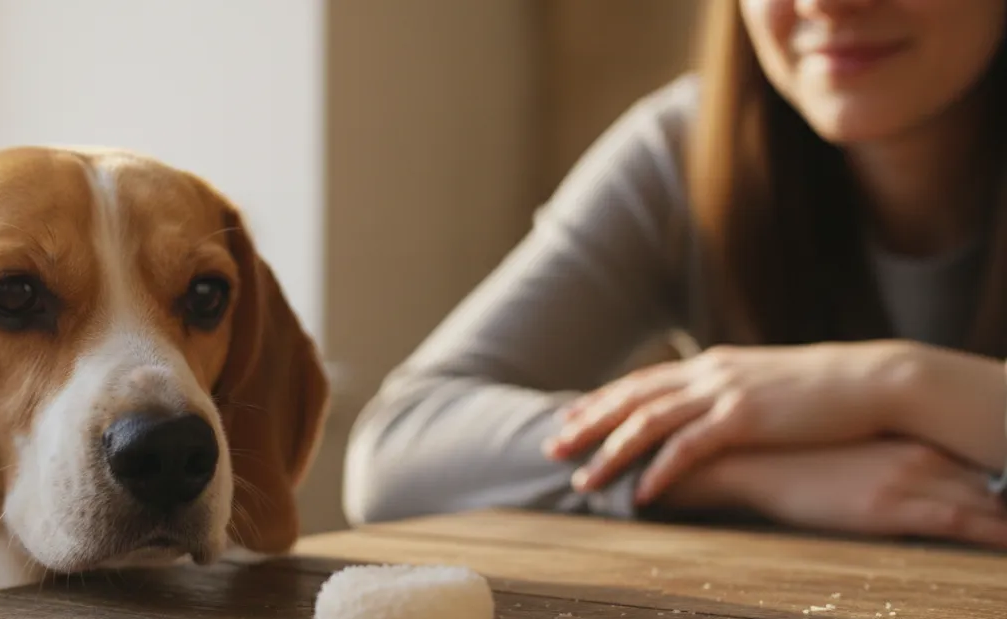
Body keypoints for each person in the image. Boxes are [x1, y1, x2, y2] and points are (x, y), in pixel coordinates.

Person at [342, 0, 1007, 548]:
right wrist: (734, 469)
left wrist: (897, 384)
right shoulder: (687, 152)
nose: (823, 4)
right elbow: (400, 452)